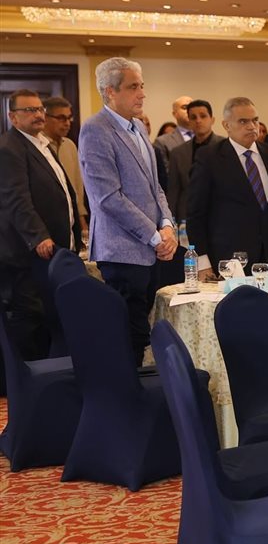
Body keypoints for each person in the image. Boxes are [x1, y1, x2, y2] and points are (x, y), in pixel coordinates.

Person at [78, 58, 177, 362]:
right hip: (122, 252)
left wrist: (167, 225)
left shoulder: (138, 127)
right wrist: (155, 236)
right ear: (110, 91)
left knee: (146, 333)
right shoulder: (96, 130)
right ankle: (130, 391)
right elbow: (108, 198)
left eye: (142, 86)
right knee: (131, 338)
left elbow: (155, 187)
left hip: (150, 249)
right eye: (134, 87)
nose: (142, 94)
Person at [0, 90, 81, 359]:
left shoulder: (42, 143)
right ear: (13, 117)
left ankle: (53, 374)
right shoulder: (9, 148)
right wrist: (37, 236)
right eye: (29, 110)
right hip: (30, 254)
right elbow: (16, 198)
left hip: (56, 249)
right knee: (32, 321)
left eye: (39, 109)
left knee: (53, 318)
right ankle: (31, 379)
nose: (37, 115)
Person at [187, 97, 268, 279]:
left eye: (255, 120)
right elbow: (196, 214)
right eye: (243, 121)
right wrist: (202, 261)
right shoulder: (209, 158)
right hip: (230, 260)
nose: (251, 126)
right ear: (226, 125)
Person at [165, 99, 224, 222]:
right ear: (189, 121)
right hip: (187, 216)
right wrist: (171, 220)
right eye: (193, 117)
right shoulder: (178, 153)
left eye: (203, 116)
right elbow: (174, 191)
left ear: (212, 119)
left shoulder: (225, 147)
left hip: (219, 214)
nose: (198, 121)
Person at [41, 96, 87, 236]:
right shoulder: (37, 146)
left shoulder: (70, 146)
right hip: (46, 224)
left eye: (69, 118)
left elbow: (77, 187)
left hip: (73, 222)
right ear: (45, 118)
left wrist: (82, 222)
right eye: (61, 118)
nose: (67, 123)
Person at [153, 95, 193, 188]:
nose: (189, 110)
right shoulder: (163, 142)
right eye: (184, 107)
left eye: (192, 107)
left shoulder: (207, 139)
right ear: (175, 113)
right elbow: (166, 175)